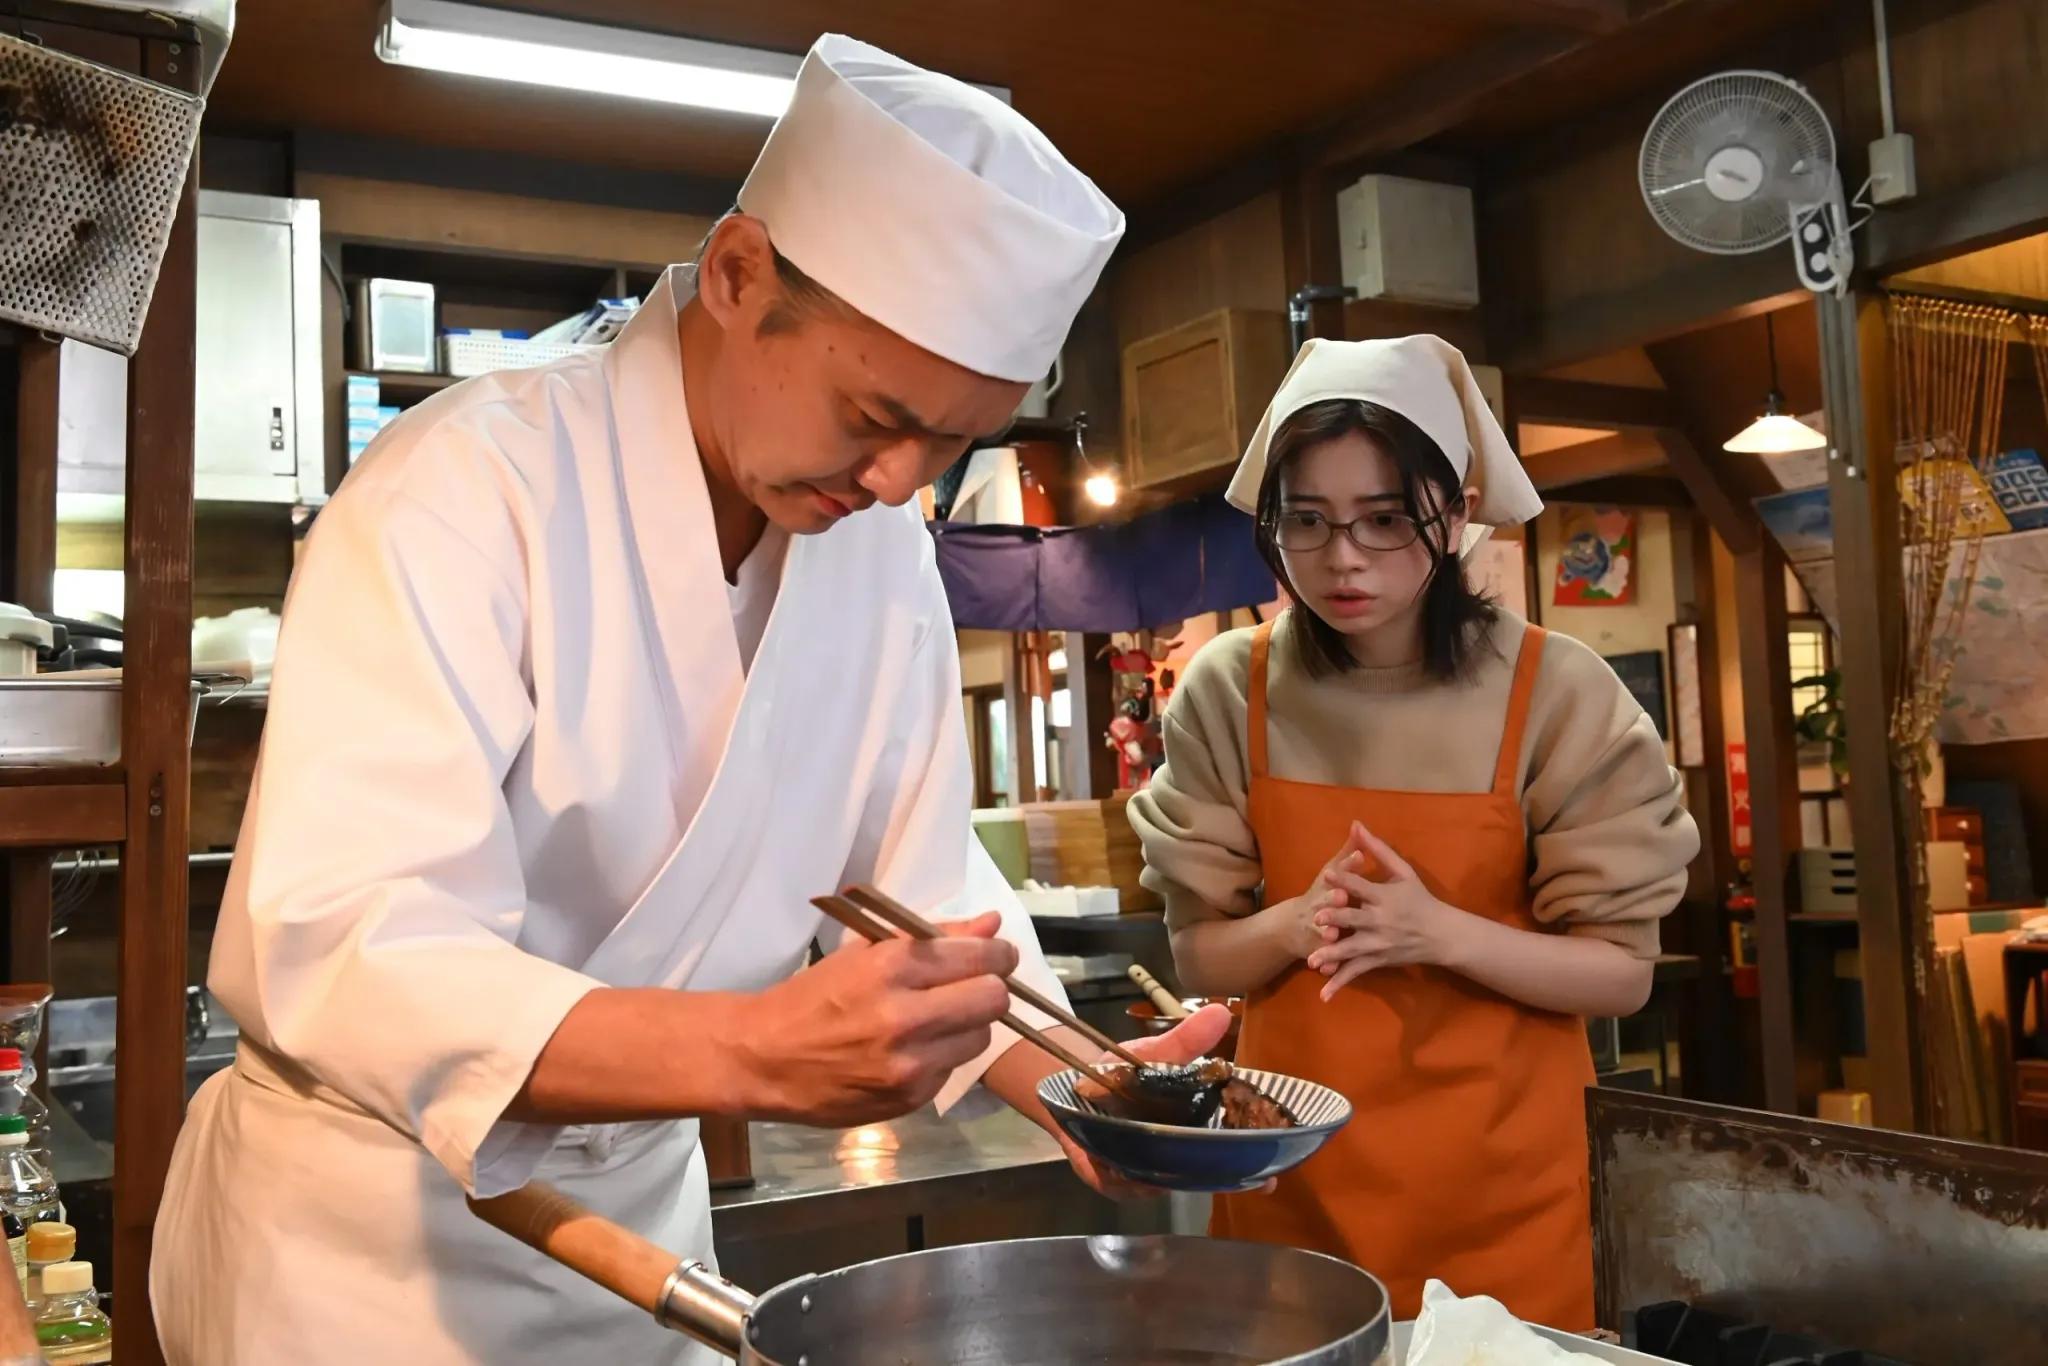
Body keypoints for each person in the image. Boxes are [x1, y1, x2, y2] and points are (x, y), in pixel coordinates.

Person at [153, 34, 1227, 1364]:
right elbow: (362, 942)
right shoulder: (466, 487)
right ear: (737, 276)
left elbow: (920, 873)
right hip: (364, 1255)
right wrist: (750, 1051)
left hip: (639, 1254)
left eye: (950, 444)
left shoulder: (876, 542)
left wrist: (1078, 1077)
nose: (899, 481)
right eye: (875, 412)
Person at [1128, 336, 1699, 1329]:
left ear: (1454, 510)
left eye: (1382, 520)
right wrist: (1298, 923)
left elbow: (1619, 974)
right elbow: (1197, 946)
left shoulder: (1553, 693)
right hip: (1295, 1191)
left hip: (1510, 1200)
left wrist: (1434, 933)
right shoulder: (1232, 686)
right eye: (1304, 521)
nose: (1341, 557)